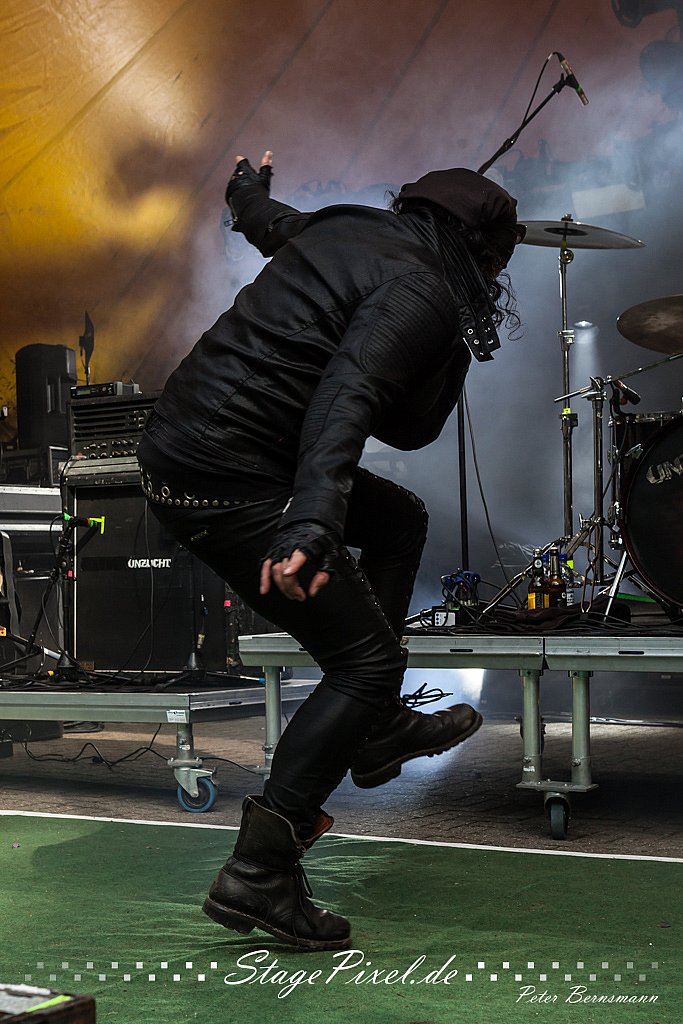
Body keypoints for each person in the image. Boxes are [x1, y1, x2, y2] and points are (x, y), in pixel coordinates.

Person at [137, 151, 524, 952]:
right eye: (493, 267)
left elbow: (271, 226)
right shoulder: (421, 291)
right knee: (365, 662)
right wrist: (311, 521)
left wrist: (246, 192)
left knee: (397, 522)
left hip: (193, 447)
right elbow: (348, 398)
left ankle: (375, 729)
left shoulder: (348, 227)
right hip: (230, 475)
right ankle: (259, 873)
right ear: (479, 254)